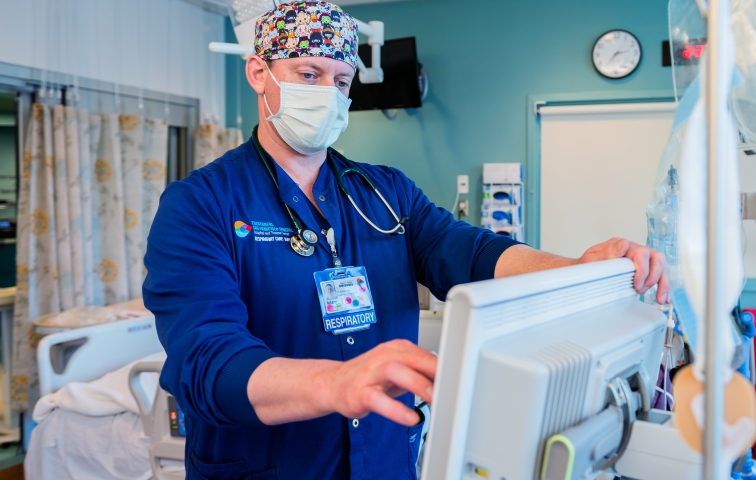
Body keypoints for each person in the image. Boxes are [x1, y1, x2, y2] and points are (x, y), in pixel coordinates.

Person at [142, 2, 669, 478]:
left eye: (342, 80)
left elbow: (472, 252)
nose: (328, 94)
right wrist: (333, 383)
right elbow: (207, 359)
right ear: (260, 73)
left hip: (384, 463)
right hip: (269, 466)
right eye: (309, 74)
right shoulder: (201, 204)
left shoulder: (385, 193)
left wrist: (577, 267)